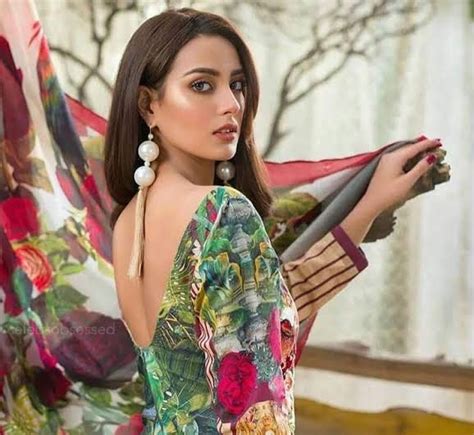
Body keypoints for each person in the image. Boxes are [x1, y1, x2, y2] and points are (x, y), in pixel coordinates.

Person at [104, 7, 442, 434]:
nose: (231, 104)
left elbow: (261, 319)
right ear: (148, 104)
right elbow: (257, 412)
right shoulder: (222, 212)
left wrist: (368, 204)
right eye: (202, 85)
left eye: (237, 84)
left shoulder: (129, 221)